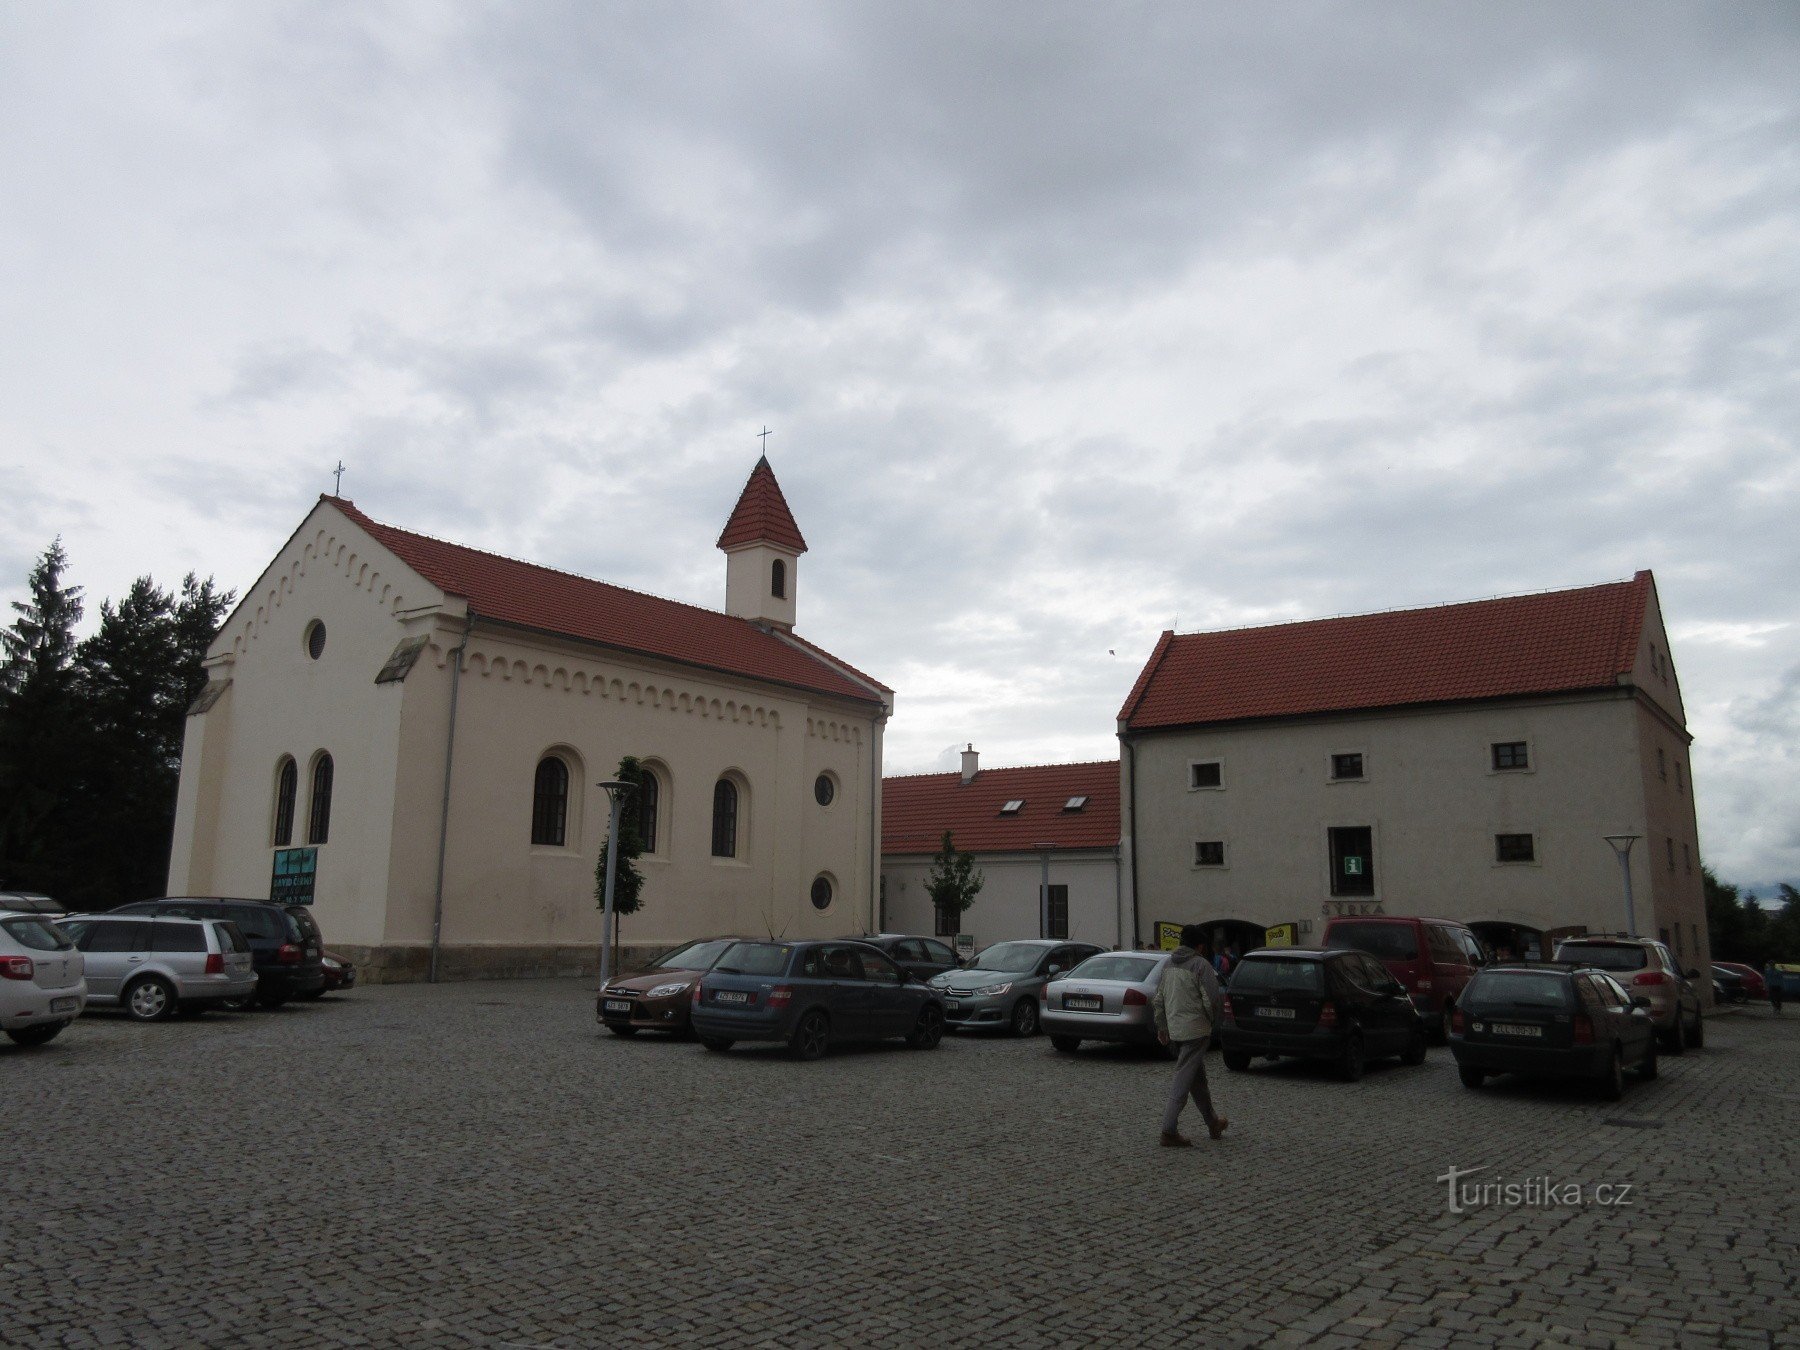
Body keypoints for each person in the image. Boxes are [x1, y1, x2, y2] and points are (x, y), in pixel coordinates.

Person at [1153, 928, 1229, 1148]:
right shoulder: (1201, 965)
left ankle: (1212, 1122)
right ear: (1200, 947)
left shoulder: (1168, 965)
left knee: (1197, 1079)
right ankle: (1168, 1129)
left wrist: (1162, 1025)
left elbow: (1159, 999)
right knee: (1183, 1079)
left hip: (1176, 1029)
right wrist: (1210, 1021)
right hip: (1196, 1030)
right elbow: (1212, 999)